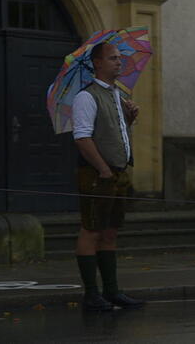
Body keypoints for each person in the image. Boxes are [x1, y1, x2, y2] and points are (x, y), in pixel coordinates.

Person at [71, 42, 143, 312]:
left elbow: (114, 131)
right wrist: (102, 168)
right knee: (91, 230)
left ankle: (112, 291)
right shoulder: (86, 97)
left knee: (110, 232)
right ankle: (91, 294)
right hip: (96, 174)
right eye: (113, 58)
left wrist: (130, 118)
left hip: (118, 173)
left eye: (120, 58)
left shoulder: (117, 95)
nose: (119, 62)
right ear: (97, 63)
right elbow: (82, 137)